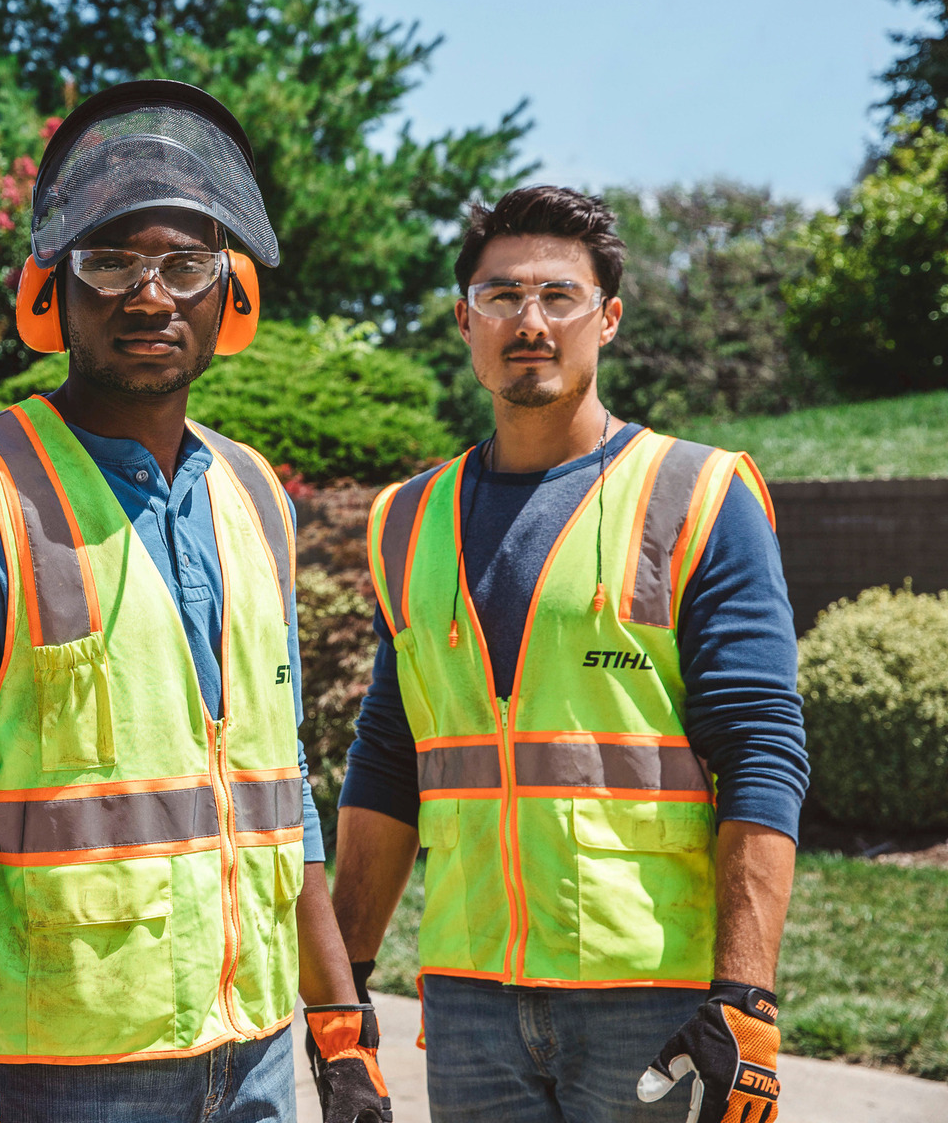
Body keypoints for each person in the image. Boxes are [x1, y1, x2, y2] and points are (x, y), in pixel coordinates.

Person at [0, 81, 392, 1123]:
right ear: (52, 291)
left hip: (261, 1056)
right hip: (63, 1076)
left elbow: (286, 801)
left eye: (186, 264)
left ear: (229, 296)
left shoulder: (252, 496)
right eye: (110, 262)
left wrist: (340, 1027)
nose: (151, 296)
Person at [331, 186, 809, 1123]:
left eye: (561, 297)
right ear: (464, 320)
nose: (531, 321)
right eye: (502, 296)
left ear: (610, 319)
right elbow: (389, 760)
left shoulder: (696, 493)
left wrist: (745, 996)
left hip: (658, 999)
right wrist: (344, 993)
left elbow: (762, 747)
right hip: (471, 999)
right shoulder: (406, 521)